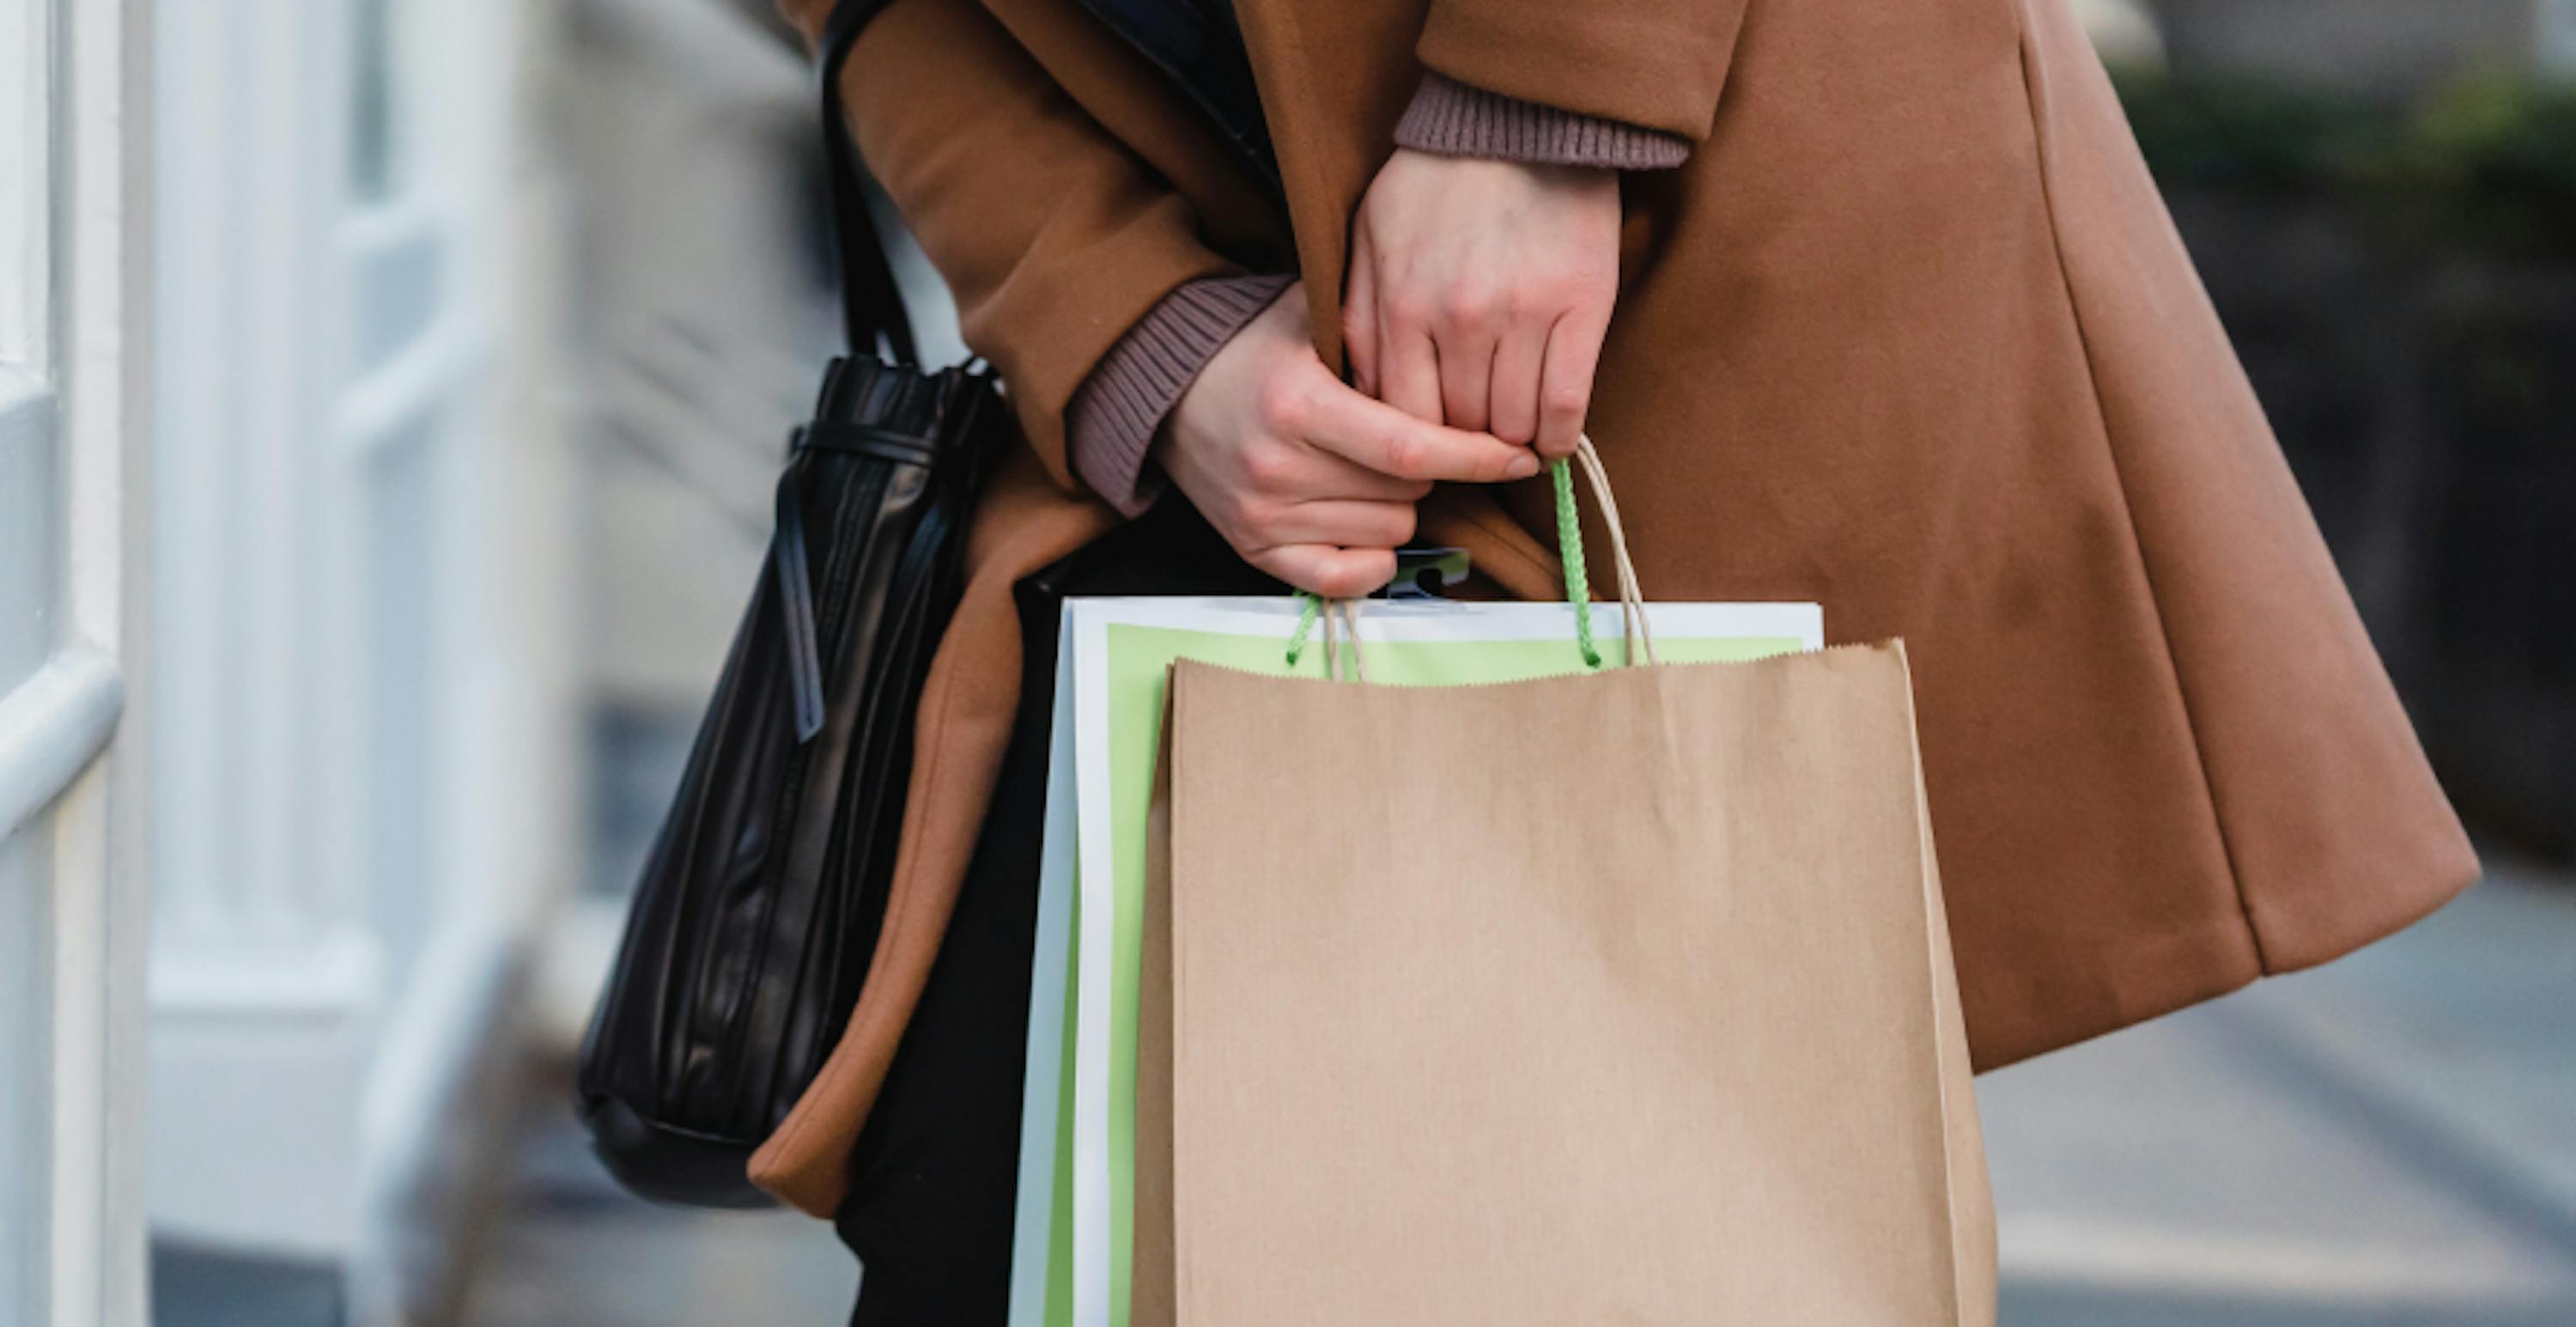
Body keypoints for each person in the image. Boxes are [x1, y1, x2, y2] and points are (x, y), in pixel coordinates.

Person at [744, 0, 2482, 1320]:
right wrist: (1118, 312)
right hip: (1207, 357)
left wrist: (1547, 98)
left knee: (1669, 1185)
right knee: (1013, 1200)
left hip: (1692, 216)